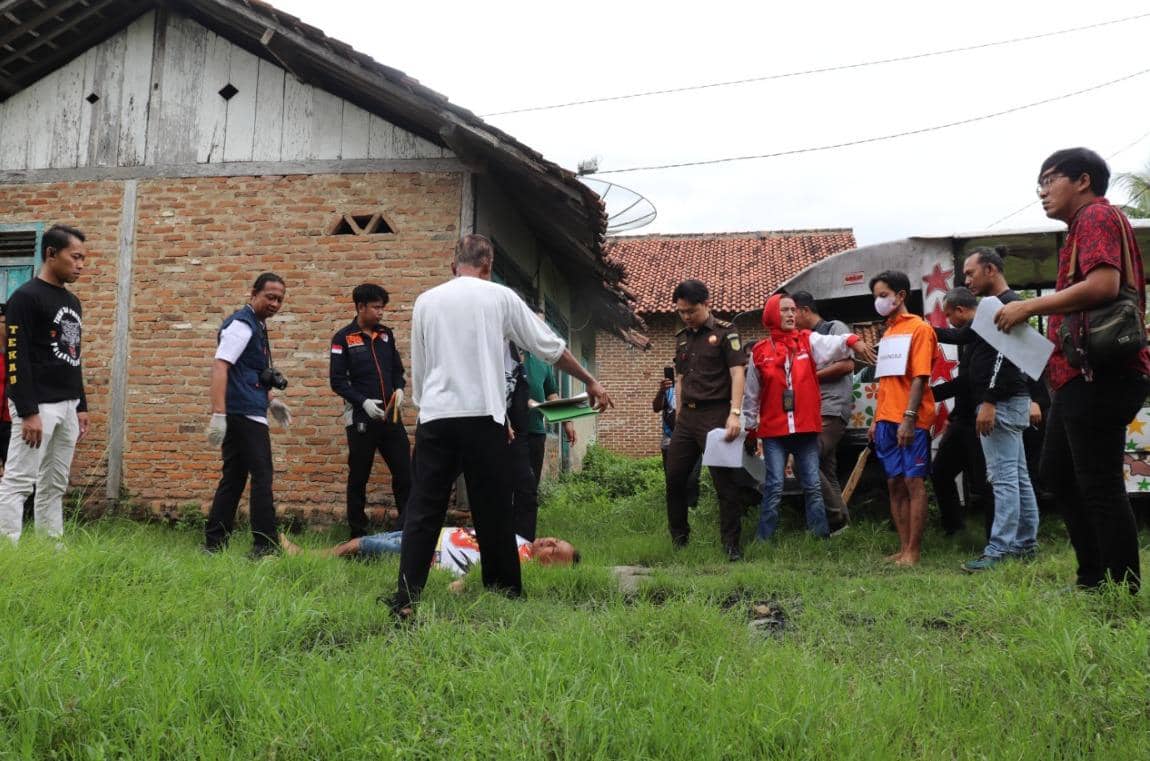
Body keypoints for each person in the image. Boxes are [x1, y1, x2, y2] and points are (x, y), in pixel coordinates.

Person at [385, 234, 612, 619]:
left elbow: (419, 366)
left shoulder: (426, 301)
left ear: (452, 265)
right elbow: (549, 346)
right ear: (488, 266)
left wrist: (425, 410)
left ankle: (406, 598)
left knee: (423, 509)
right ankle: (504, 593)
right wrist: (588, 380)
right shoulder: (500, 297)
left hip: (437, 417)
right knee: (492, 510)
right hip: (482, 419)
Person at [996, 147, 1150, 593]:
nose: (1042, 192)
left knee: (1098, 483)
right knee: (1059, 473)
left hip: (1100, 374)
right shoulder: (1084, 225)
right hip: (1077, 376)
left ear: (1082, 180)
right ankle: (1093, 576)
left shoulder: (1096, 217)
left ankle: (1119, 587)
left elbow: (1102, 285)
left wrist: (1030, 305)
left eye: (1049, 180)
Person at [940, 253, 1041, 573]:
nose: (967, 281)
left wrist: (989, 401)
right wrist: (923, 330)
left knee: (1003, 479)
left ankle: (999, 548)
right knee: (1019, 478)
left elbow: (1007, 359)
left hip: (1002, 402)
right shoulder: (988, 306)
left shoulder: (1009, 305)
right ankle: (1025, 544)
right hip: (1007, 401)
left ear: (991, 270)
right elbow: (962, 336)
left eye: (971, 274)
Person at [743, 293, 874, 541]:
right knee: (774, 487)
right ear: (771, 314)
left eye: (793, 310)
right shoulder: (759, 352)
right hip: (774, 431)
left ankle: (820, 537)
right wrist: (750, 429)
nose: (791, 314)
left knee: (813, 485)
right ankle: (764, 539)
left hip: (805, 429)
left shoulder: (807, 341)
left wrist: (854, 340)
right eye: (784, 310)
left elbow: (835, 343)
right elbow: (751, 395)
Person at [0, 225, 89, 543]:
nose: (80, 265)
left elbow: (73, 356)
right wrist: (28, 411)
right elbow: (15, 357)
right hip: (38, 404)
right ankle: (6, 548)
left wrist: (81, 405)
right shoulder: (24, 298)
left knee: (54, 482)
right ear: (51, 254)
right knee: (19, 480)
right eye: (74, 257)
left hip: (67, 405)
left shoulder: (72, 302)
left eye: (83, 258)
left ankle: (51, 546)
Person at [204, 273, 293, 559]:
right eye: (270, 297)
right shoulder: (242, 325)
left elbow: (248, 371)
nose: (275, 303)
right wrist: (218, 413)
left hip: (249, 408)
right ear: (253, 294)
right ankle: (264, 546)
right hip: (243, 414)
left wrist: (271, 399)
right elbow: (221, 366)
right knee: (262, 476)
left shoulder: (257, 326)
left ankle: (214, 544)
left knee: (233, 478)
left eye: (279, 299)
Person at [665, 279, 748, 561]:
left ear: (706, 304)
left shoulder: (726, 333)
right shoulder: (682, 338)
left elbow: (738, 373)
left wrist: (734, 414)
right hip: (687, 418)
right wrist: (677, 413)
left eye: (691, 311)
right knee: (675, 478)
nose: (686, 316)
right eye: (682, 312)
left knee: (724, 483)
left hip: (716, 414)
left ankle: (731, 544)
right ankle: (679, 538)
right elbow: (679, 379)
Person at [329, 283, 412, 538]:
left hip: (390, 417)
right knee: (359, 477)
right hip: (361, 419)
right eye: (376, 307)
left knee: (405, 472)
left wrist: (399, 389)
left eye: (382, 308)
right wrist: (362, 401)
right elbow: (337, 381)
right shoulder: (343, 338)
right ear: (360, 306)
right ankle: (358, 533)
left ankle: (406, 529)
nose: (380, 313)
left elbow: (397, 370)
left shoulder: (386, 335)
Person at [868, 270, 938, 566]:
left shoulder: (920, 329)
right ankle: (902, 548)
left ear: (900, 296)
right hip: (885, 420)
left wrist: (909, 417)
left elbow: (920, 378)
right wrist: (876, 419)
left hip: (912, 420)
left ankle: (914, 551)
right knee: (894, 483)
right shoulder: (888, 332)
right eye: (876, 297)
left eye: (883, 295)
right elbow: (886, 382)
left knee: (913, 483)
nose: (879, 301)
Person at [791, 290, 855, 532]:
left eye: (792, 312)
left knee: (802, 461)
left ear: (804, 310)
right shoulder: (801, 339)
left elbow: (848, 364)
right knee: (827, 471)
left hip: (831, 407)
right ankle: (843, 529)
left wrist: (808, 377)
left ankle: (835, 517)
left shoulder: (833, 328)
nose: (789, 318)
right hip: (812, 411)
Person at [931, 288, 991, 537]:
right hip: (962, 419)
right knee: (940, 472)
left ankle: (995, 538)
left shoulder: (987, 328)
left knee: (985, 483)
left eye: (948, 315)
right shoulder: (974, 333)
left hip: (981, 418)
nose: (948, 321)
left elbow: (967, 381)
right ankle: (953, 528)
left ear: (960, 310)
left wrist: (929, 395)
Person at [522, 302, 576, 486]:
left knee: (531, 486)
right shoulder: (510, 353)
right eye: (536, 325)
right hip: (512, 431)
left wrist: (567, 420)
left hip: (536, 431)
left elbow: (552, 394)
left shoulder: (543, 360)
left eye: (543, 326)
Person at [652, 376, 700, 508]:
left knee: (692, 479)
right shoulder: (668, 389)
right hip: (670, 441)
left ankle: (692, 509)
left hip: (693, 440)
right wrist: (661, 391)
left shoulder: (696, 386)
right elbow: (656, 408)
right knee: (673, 479)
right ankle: (676, 509)